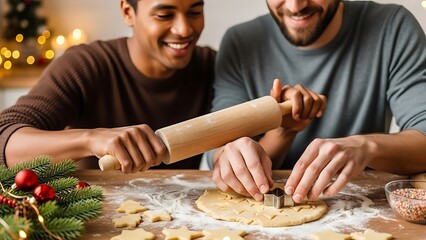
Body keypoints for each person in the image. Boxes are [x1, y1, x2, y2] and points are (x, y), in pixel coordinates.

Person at [208, 0, 426, 203]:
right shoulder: (239, 43)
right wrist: (283, 131)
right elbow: (218, 152)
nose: (295, 6)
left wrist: (365, 146)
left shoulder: (392, 27)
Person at [0, 0, 215, 173]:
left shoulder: (214, 66)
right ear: (128, 12)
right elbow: (5, 136)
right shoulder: (85, 64)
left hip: (181, 220)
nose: (184, 29)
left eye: (195, 12)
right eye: (165, 15)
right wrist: (91, 139)